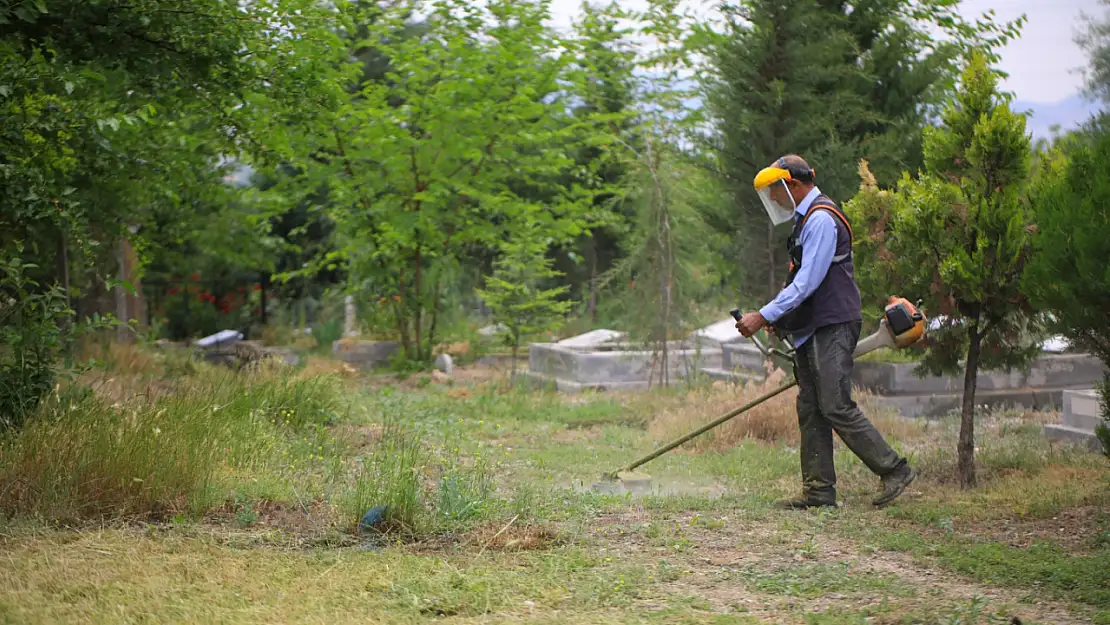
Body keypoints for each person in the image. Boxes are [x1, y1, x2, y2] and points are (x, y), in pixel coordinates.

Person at [734, 154, 915, 509]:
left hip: (832, 324)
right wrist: (779, 319)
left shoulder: (820, 220)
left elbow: (807, 283)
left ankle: (894, 469)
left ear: (794, 185)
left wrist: (763, 314)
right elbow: (800, 284)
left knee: (835, 404)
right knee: (812, 407)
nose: (773, 199)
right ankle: (818, 492)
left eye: (775, 191)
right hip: (814, 326)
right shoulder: (806, 222)